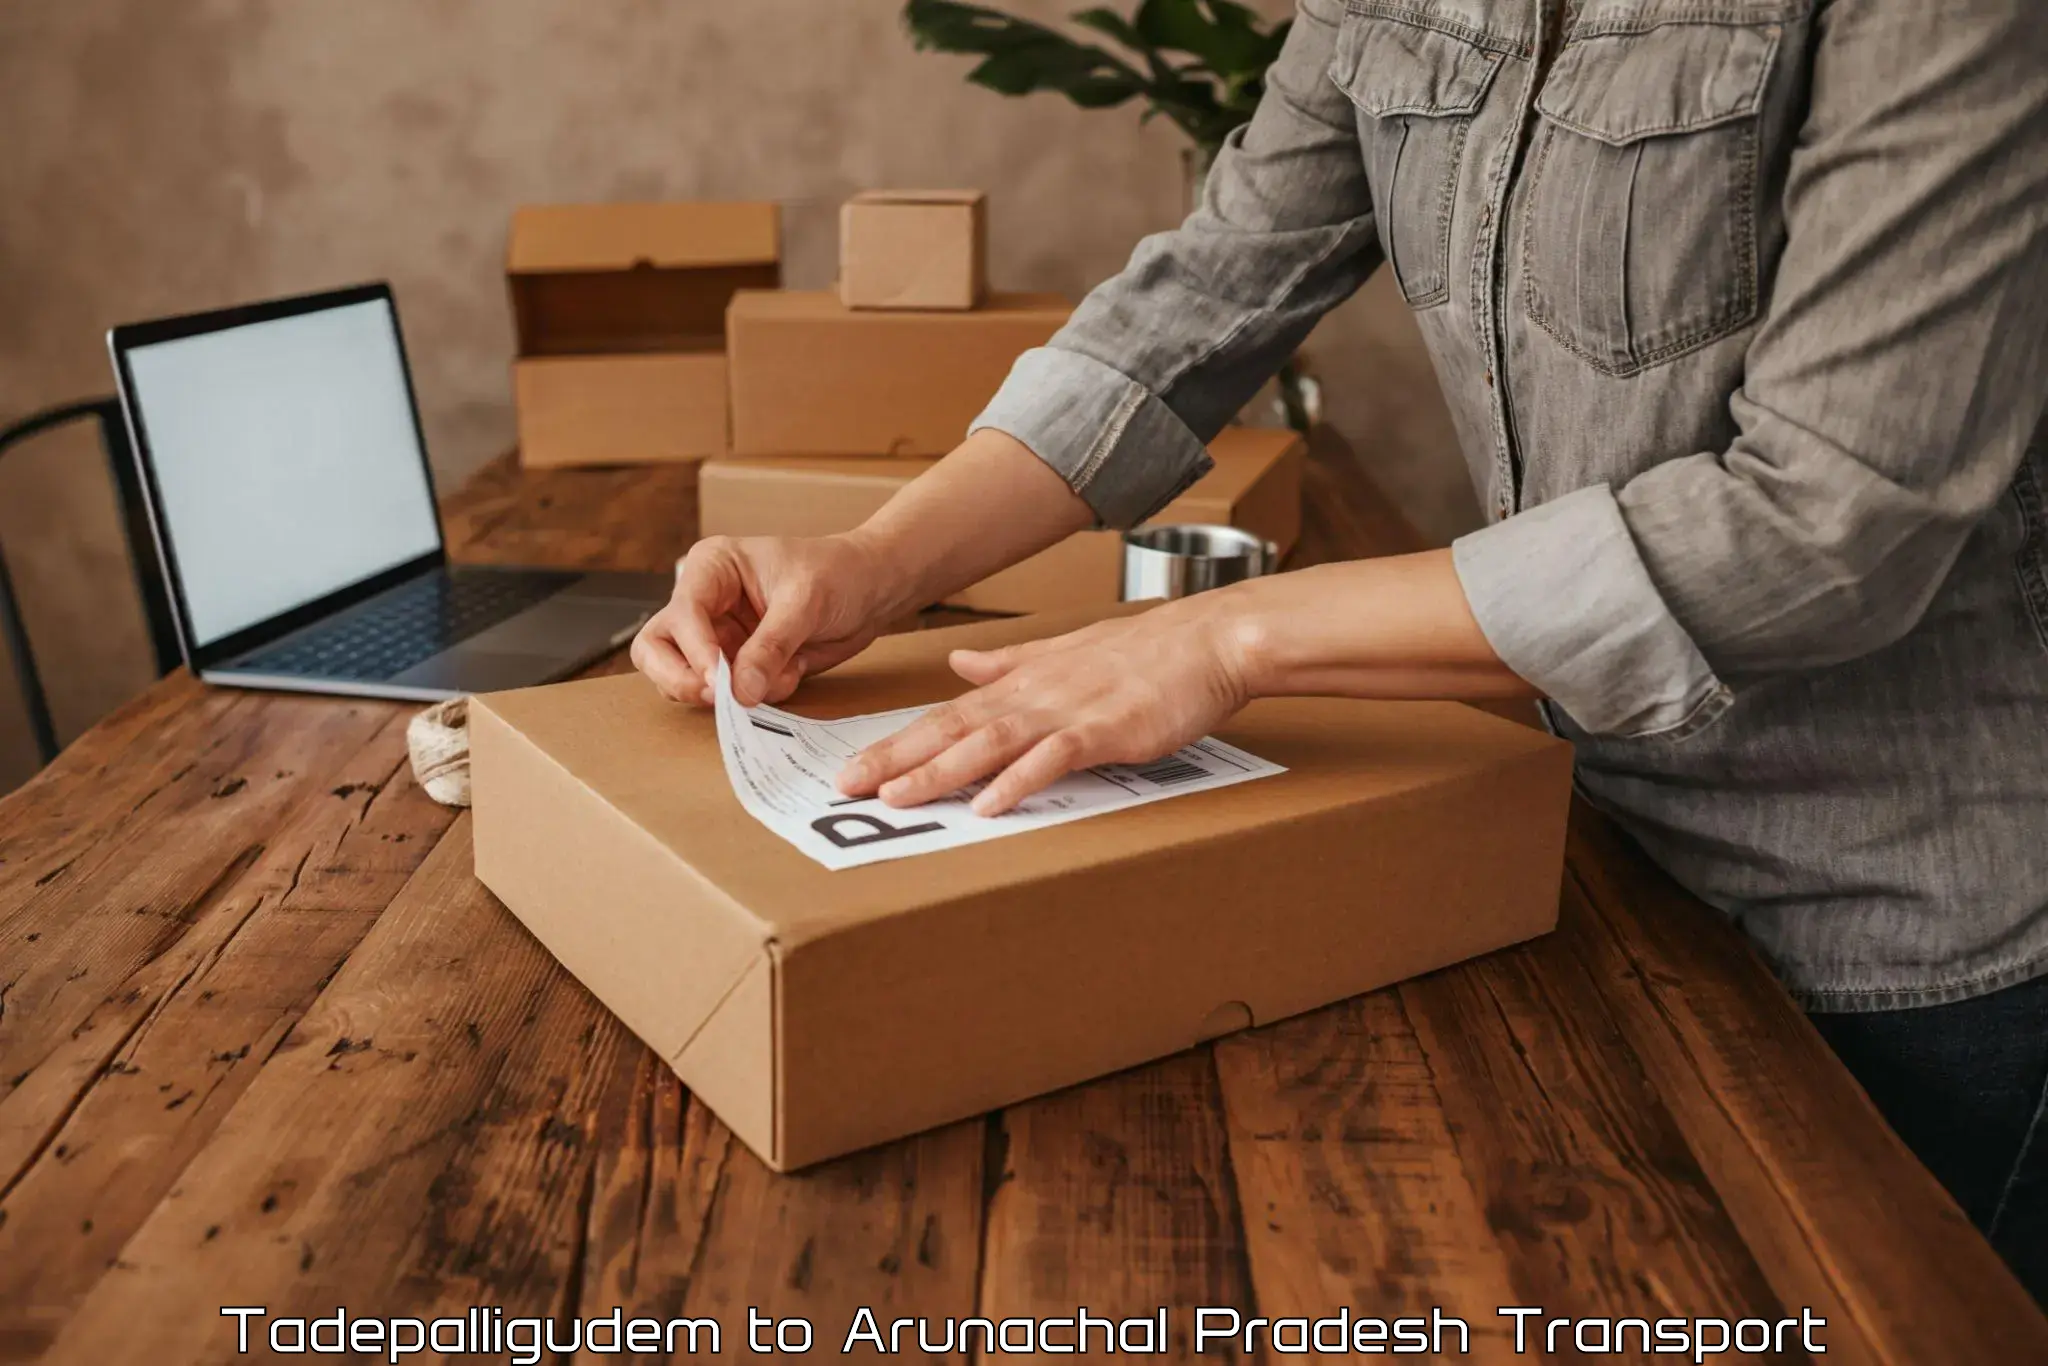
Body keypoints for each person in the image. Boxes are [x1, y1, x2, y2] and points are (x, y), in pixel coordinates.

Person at [634, 0, 2048, 1298]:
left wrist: (1229, 640)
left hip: (1911, 935)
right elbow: (1200, 297)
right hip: (1590, 849)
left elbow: (1830, 523)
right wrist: (877, 564)